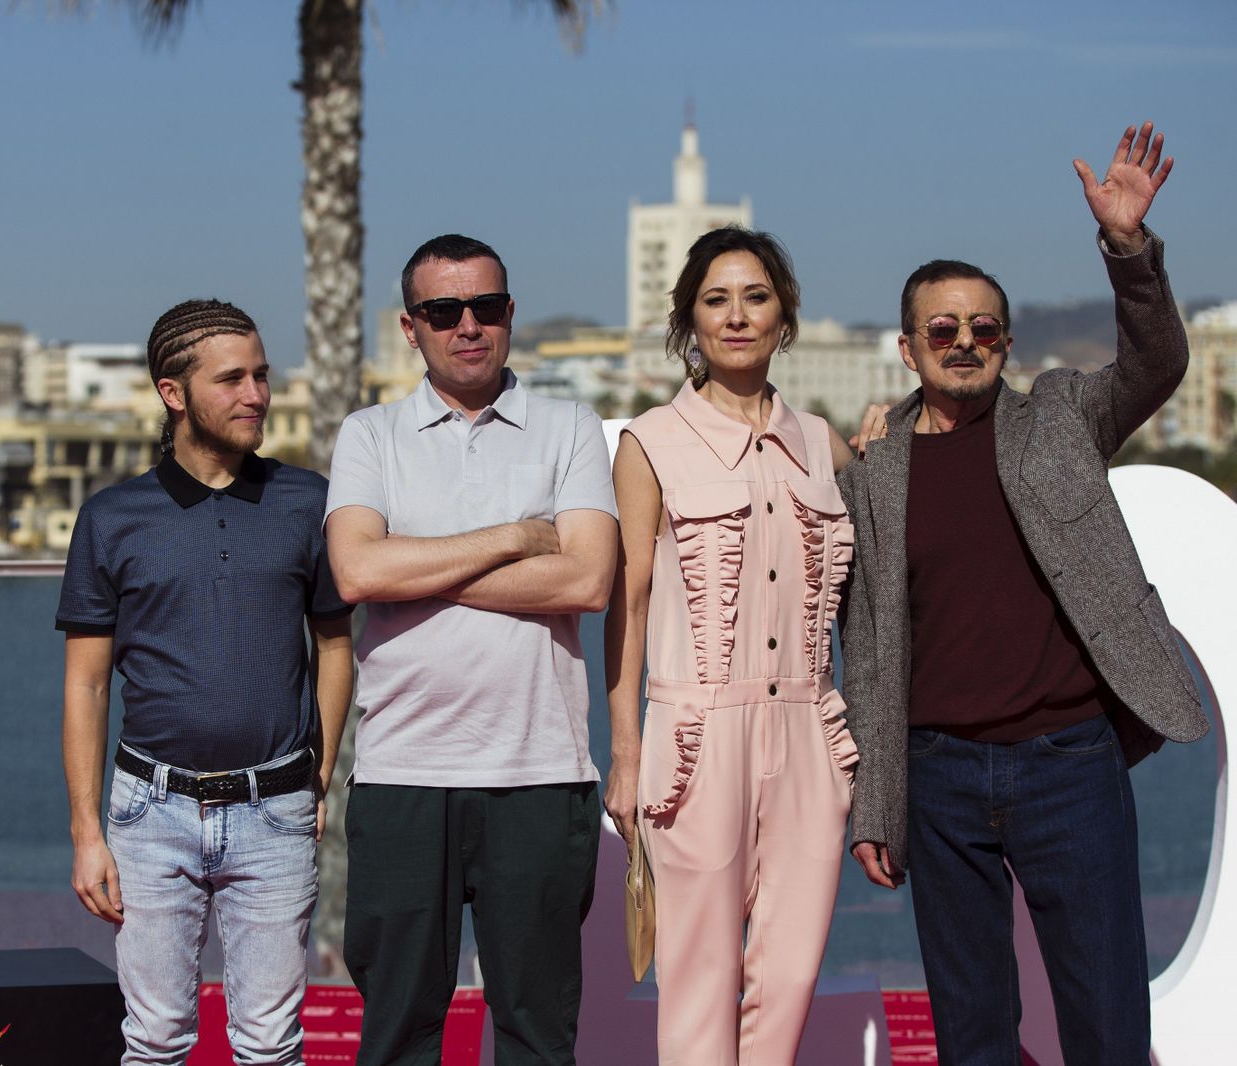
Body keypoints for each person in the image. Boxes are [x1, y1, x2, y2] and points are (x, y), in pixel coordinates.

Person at [838, 123, 1209, 1065]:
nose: (965, 343)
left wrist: (1127, 246)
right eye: (943, 330)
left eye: (984, 328)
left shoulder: (1060, 417)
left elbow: (1159, 362)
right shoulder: (872, 474)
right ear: (908, 348)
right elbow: (872, 650)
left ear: (1007, 340)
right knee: (972, 1034)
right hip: (939, 778)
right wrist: (877, 803)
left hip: (1069, 766)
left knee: (1106, 1021)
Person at [324, 234, 619, 1065]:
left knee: (536, 1036)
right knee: (396, 1037)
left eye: (486, 308)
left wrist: (415, 565)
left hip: (541, 777)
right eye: (444, 311)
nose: (468, 326)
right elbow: (354, 569)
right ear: (411, 327)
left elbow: (587, 582)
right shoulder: (370, 434)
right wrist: (521, 537)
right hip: (402, 777)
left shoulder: (568, 427)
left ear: (510, 315)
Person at [57, 298, 354, 1065]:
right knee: (154, 1040)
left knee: (270, 1044)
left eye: (261, 375)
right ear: (172, 392)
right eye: (232, 379)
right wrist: (88, 833)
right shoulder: (110, 517)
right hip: (148, 813)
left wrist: (314, 776)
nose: (256, 394)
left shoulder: (308, 502)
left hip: (276, 810)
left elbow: (333, 646)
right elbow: (86, 686)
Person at [604, 227, 860, 1064]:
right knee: (698, 985)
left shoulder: (826, 445)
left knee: (787, 986)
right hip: (697, 739)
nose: (738, 316)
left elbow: (878, 589)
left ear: (784, 315)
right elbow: (629, 608)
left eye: (756, 297)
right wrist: (628, 757)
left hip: (810, 735)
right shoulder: (651, 443)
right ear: (690, 322)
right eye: (717, 300)